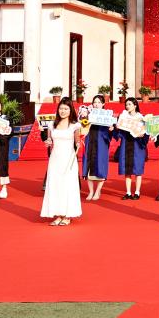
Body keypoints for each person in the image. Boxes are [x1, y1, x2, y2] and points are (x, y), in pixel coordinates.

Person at [40, 98, 83, 226]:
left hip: (69, 159)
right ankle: (58, 214)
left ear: (70, 110)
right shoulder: (52, 124)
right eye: (61, 108)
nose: (63, 111)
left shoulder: (75, 125)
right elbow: (49, 140)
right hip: (55, 159)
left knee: (68, 185)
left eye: (66, 109)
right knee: (55, 185)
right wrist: (47, 142)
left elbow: (77, 140)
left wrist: (79, 143)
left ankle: (67, 215)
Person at [80, 95, 115, 201]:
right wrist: (83, 118)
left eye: (99, 102)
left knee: (101, 165)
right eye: (95, 102)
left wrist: (111, 129)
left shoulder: (107, 116)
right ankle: (91, 191)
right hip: (89, 142)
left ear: (103, 104)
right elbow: (82, 126)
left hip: (101, 143)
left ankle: (97, 191)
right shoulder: (88, 114)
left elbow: (113, 130)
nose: (96, 104)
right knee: (88, 165)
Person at [114, 97, 149, 200]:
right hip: (126, 144)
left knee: (138, 169)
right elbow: (118, 132)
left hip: (137, 145)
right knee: (127, 169)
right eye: (126, 104)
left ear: (135, 105)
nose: (127, 106)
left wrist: (143, 135)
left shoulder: (141, 118)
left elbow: (146, 132)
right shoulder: (123, 117)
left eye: (129, 104)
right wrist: (116, 128)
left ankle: (137, 192)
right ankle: (128, 192)